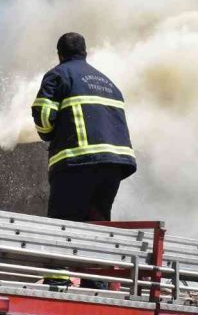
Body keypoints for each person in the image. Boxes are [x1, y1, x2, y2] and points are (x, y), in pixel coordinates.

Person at [31, 32, 136, 222]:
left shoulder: (58, 74)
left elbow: (44, 116)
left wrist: (48, 134)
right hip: (114, 166)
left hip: (77, 164)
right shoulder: (109, 83)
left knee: (63, 225)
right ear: (85, 53)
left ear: (60, 54)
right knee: (96, 226)